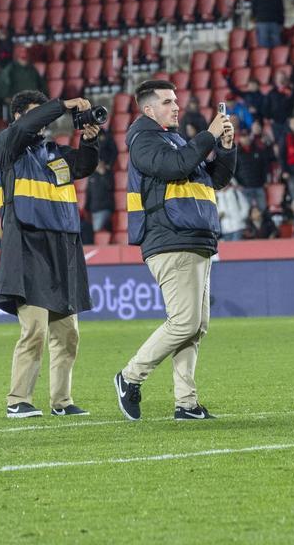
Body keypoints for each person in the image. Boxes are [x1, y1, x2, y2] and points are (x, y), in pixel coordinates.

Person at [114, 81, 235, 422]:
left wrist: (225, 147)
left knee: (195, 327)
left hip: (193, 238)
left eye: (176, 100)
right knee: (184, 323)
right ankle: (130, 376)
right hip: (170, 238)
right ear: (148, 110)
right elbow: (176, 167)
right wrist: (208, 136)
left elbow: (215, 179)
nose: (176, 106)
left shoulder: (175, 139)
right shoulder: (144, 140)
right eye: (167, 102)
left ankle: (186, 402)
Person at [0, 91, 101, 419]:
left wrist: (90, 141)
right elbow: (27, 127)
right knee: (34, 329)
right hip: (28, 246)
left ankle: (62, 402)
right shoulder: (7, 148)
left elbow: (86, 165)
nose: (47, 122)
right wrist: (61, 106)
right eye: (39, 116)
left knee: (68, 334)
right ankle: (17, 400)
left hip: (62, 247)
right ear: (19, 117)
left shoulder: (55, 154)